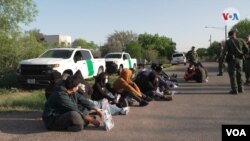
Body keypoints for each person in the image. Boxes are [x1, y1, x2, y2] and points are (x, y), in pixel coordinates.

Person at [222, 30, 249, 94]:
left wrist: (223, 61)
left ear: (229, 35)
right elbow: (247, 50)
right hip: (240, 60)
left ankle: (234, 90)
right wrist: (242, 54)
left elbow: (225, 52)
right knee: (239, 74)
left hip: (232, 60)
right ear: (235, 34)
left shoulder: (228, 42)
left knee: (232, 75)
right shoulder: (241, 40)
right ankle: (241, 89)